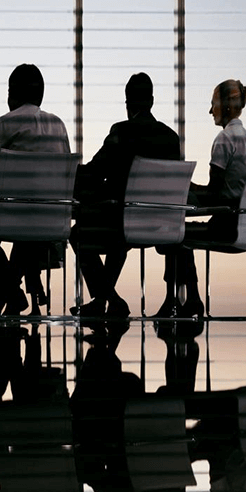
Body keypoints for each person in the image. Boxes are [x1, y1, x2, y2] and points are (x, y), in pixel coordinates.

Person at [71, 72, 180, 317]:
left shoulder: (122, 131)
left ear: (128, 103)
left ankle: (108, 298)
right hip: (163, 226)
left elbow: (95, 172)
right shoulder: (171, 139)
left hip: (123, 223)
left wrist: (70, 171)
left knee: (77, 233)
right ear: (151, 101)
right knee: (119, 225)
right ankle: (103, 300)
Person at [0, 63, 71, 315]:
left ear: (11, 94)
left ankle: (9, 293)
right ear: (41, 95)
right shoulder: (60, 127)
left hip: (14, 218)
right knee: (26, 229)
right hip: (53, 221)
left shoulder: (4, 125)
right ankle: (9, 295)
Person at [159, 80, 246, 318]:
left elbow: (213, 194)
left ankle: (183, 300)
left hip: (225, 224)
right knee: (178, 233)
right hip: (245, 224)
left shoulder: (224, 140)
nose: (211, 110)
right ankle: (188, 299)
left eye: (213, 104)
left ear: (226, 107)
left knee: (174, 234)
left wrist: (186, 186)